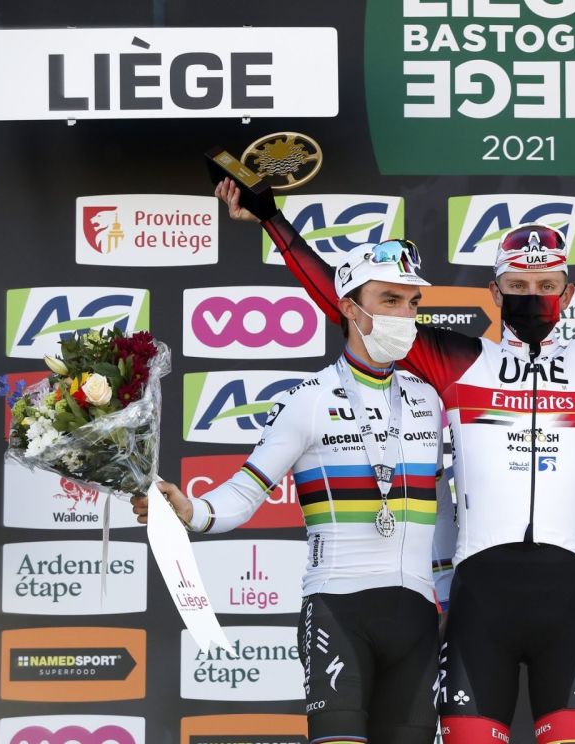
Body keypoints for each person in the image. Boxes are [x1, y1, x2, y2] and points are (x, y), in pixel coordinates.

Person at [214, 178, 575, 744]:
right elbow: (349, 306)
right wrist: (273, 221)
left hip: (566, 598)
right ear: (494, 293)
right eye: (518, 285)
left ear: (567, 294)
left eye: (546, 285)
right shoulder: (458, 360)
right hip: (479, 598)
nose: (533, 296)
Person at [132, 240, 455, 744]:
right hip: (338, 609)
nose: (405, 315)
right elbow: (245, 491)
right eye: (389, 300)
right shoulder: (308, 399)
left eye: (413, 303)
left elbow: (443, 510)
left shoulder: (429, 399)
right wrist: (190, 509)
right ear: (349, 307)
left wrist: (450, 595)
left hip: (416, 614)